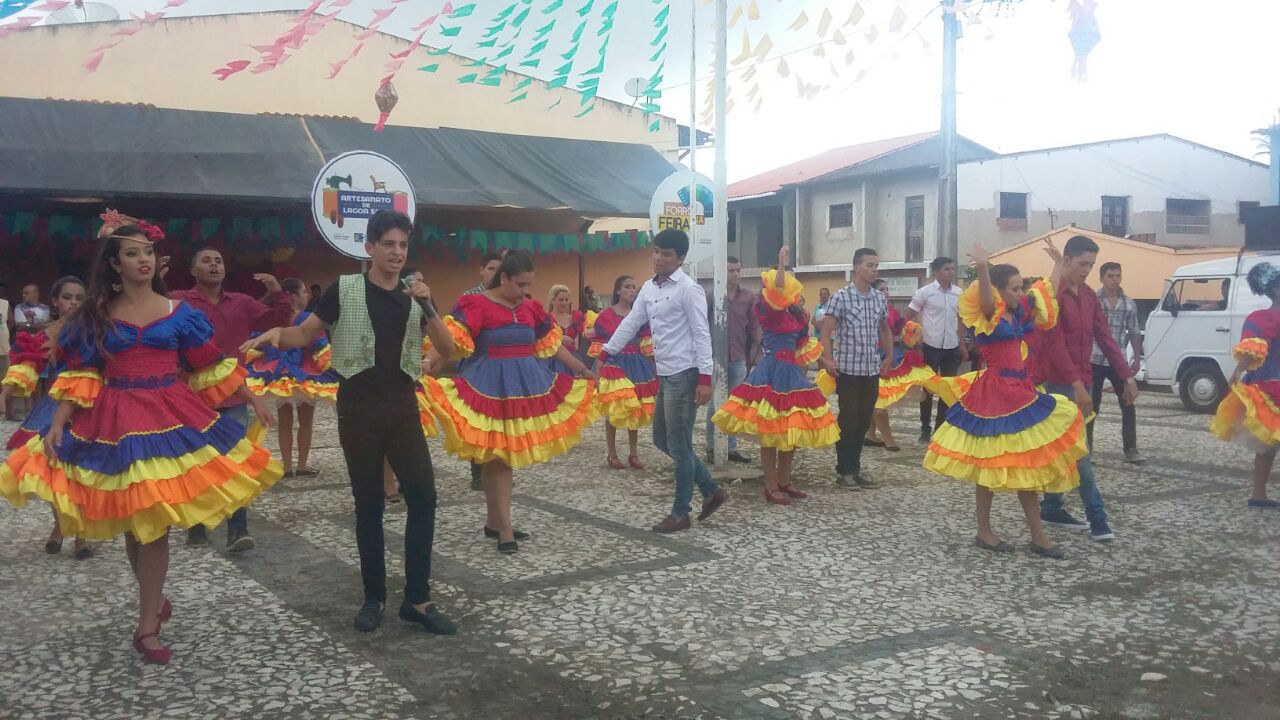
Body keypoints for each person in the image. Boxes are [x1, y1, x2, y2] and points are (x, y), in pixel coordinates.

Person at [0, 211, 280, 663]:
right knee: (136, 521)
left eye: (147, 251)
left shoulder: (177, 312)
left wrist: (252, 397)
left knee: (153, 522)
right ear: (115, 264)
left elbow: (207, 362)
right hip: (115, 421)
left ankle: (147, 621)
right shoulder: (98, 315)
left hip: (169, 416)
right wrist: (56, 421)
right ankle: (153, 602)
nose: (144, 260)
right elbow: (83, 370)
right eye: (133, 253)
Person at [245, 210, 458, 635]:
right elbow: (305, 335)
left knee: (424, 497)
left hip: (401, 405)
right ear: (371, 248)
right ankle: (373, 597)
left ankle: (417, 597)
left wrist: (427, 304)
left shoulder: (413, 296)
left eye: (403, 245)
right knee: (369, 504)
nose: (397, 252)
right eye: (389, 244)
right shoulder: (345, 288)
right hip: (358, 407)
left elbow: (447, 348)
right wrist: (276, 335)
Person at [424, 249, 597, 553]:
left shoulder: (530, 309)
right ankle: (504, 527)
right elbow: (451, 341)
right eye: (520, 285)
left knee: (502, 458)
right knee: (499, 459)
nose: (525, 292)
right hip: (488, 386)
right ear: (503, 278)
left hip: (524, 386)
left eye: (529, 286)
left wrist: (582, 369)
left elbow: (552, 345)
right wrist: (428, 364)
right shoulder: (475, 304)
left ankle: (495, 521)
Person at [923, 244, 1086, 559]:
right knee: (990, 466)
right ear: (999, 291)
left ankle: (1037, 535)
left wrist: (1057, 265)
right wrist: (983, 268)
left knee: (1026, 464)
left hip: (1020, 390)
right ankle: (987, 531)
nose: (1020, 291)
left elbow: (1044, 294)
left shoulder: (1018, 311)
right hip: (996, 394)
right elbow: (987, 299)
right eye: (1014, 287)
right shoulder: (990, 313)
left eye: (1021, 285)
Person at [597, 229, 728, 533]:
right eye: (656, 251)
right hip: (665, 372)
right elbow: (632, 322)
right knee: (660, 438)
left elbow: (700, 333)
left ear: (680, 259)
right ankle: (711, 488)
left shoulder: (689, 289)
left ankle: (681, 512)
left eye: (666, 253)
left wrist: (706, 377)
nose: (658, 257)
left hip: (686, 372)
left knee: (679, 444)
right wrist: (606, 352)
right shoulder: (649, 288)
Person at [168, 247, 292, 551]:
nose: (214, 265)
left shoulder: (241, 303)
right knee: (196, 463)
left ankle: (238, 530)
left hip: (234, 396)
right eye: (207, 261)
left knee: (235, 463)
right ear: (193, 270)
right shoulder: (179, 301)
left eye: (219, 261)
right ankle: (197, 526)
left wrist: (278, 293)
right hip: (191, 397)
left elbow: (276, 320)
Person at [1032, 235, 1137, 542]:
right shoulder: (1050, 295)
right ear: (1065, 261)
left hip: (1082, 380)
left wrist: (1126, 377)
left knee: (1068, 448)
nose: (1087, 270)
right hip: (1056, 384)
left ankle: (1051, 506)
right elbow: (1054, 344)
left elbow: (1106, 338)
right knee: (1080, 452)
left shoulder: (1090, 296)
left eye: (1091, 265)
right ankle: (1097, 517)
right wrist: (1076, 383)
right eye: (1082, 264)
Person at [712, 246, 836, 504]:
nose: (790, 287)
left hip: (791, 373)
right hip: (771, 372)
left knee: (790, 429)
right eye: (786, 282)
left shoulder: (798, 315)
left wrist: (827, 361)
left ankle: (784, 480)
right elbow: (779, 289)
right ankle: (770, 485)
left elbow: (803, 345)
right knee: (770, 431)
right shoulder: (768, 308)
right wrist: (780, 264)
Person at [1, 276, 93, 559]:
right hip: (52, 405)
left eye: (79, 297)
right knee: (53, 468)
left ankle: (82, 534)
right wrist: (5, 393)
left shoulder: (95, 332)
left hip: (87, 404)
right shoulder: (42, 335)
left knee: (83, 470)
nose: (73, 303)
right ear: (55, 301)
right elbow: (27, 366)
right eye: (67, 297)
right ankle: (59, 526)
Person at [244, 278, 340, 478]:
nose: (306, 296)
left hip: (277, 372)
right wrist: (329, 365)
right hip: (305, 372)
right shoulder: (307, 318)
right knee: (306, 420)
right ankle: (302, 464)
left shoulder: (272, 319)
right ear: (294, 297)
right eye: (303, 292)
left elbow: (258, 342)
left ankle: (287, 466)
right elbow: (319, 344)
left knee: (284, 421)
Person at [818, 248, 894, 490]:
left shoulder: (877, 298)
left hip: (871, 367)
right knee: (848, 420)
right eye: (870, 265)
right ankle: (844, 471)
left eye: (876, 265)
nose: (874, 270)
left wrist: (889, 355)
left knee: (863, 421)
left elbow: (884, 328)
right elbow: (827, 330)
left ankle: (856, 468)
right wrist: (827, 360)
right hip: (848, 368)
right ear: (857, 267)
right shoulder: (841, 297)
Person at [1211, 262, 1280, 509]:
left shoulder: (1262, 318)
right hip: (1272, 385)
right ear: (1275, 290)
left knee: (1268, 444)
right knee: (1267, 444)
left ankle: (1258, 493)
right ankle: (1258, 493)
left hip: (1270, 384)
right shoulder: (1266, 318)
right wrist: (1238, 370)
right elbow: (1253, 350)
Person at [589, 274, 657, 470]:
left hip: (635, 362)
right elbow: (601, 345)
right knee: (614, 407)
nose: (631, 290)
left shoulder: (639, 314)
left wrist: (654, 368)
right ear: (618, 290)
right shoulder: (606, 315)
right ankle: (612, 452)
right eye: (627, 286)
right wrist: (598, 371)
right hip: (614, 363)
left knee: (633, 407)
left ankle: (633, 453)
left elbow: (646, 341)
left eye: (634, 287)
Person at [865, 279, 936, 453]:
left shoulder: (888, 309)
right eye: (882, 289)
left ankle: (870, 434)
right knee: (880, 397)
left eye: (887, 289)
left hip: (891, 353)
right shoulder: (869, 308)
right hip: (875, 355)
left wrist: (910, 333)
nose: (886, 292)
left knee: (878, 396)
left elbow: (896, 330)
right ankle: (888, 439)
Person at [704, 255, 760, 465]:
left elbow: (753, 325)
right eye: (731, 270)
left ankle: (732, 447)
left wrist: (757, 348)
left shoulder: (748, 297)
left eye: (738, 270)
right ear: (722, 272)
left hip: (739, 357)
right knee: (716, 402)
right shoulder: (712, 295)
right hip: (713, 357)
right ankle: (712, 445)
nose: (736, 274)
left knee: (735, 403)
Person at [905, 256, 967, 443]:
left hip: (952, 346)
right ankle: (925, 427)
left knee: (948, 389)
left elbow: (961, 321)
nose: (951, 272)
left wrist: (962, 344)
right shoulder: (925, 292)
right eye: (947, 269)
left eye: (952, 269)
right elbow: (909, 316)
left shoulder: (958, 292)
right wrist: (916, 340)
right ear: (937, 271)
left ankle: (940, 428)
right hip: (930, 346)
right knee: (928, 389)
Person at [1091, 262, 1145, 464]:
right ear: (1102, 278)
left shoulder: (1128, 303)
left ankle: (1131, 448)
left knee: (1128, 403)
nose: (1114, 280)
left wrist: (1136, 359)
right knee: (1091, 405)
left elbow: (1134, 331)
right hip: (1094, 358)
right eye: (1110, 276)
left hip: (1118, 359)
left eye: (1117, 275)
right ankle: (1087, 450)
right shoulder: (1093, 300)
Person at [462, 252, 504, 491]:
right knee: (477, 420)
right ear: (481, 269)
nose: (494, 274)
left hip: (500, 370)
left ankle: (498, 465)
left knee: (499, 420)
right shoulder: (469, 297)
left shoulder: (506, 298)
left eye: (498, 270)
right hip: (474, 366)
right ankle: (477, 470)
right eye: (490, 268)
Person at [547, 284, 592, 376]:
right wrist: (559, 338)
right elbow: (542, 339)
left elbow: (584, 332)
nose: (564, 303)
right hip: (553, 360)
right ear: (552, 300)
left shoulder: (575, 318)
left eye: (566, 300)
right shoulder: (546, 319)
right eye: (560, 300)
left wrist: (592, 331)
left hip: (573, 358)